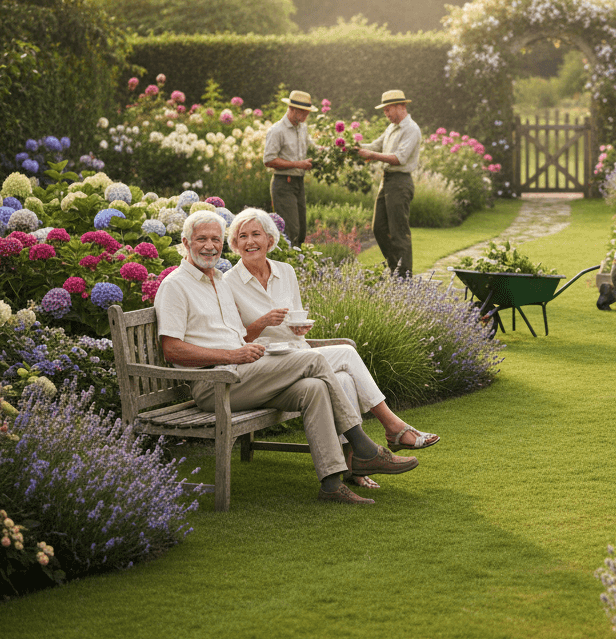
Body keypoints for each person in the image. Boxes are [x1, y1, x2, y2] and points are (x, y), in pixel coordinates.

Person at [154, 210, 419, 506]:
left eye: (215, 239)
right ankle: (365, 449)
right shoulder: (175, 286)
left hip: (245, 372)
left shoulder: (217, 280)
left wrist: (248, 345)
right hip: (214, 382)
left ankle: (331, 485)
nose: (210, 246)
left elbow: (234, 334)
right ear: (185, 242)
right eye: (201, 239)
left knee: (314, 389)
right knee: (314, 361)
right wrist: (234, 353)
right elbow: (172, 349)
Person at [221, 207, 440, 489]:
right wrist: (261, 323)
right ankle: (392, 428)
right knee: (347, 353)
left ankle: (353, 467)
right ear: (235, 244)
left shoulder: (286, 272)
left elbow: (294, 318)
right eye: (242, 236)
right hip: (264, 366)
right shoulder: (229, 283)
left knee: (344, 379)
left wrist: (298, 328)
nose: (249, 241)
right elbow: (236, 341)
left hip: (298, 353)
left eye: (256, 234)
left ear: (270, 240)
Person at [357, 89, 421, 278]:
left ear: (400, 106)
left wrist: (372, 156)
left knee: (399, 232)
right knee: (379, 228)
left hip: (400, 183)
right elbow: (376, 146)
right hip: (387, 182)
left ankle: (403, 278)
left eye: (388, 110)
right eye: (384, 110)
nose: (386, 114)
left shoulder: (411, 129)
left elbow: (399, 158)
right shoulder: (392, 127)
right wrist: (355, 147)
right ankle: (394, 268)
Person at [263, 89, 316, 247]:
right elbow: (269, 160)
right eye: (304, 112)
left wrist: (330, 151)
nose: (307, 116)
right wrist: (297, 164)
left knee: (301, 231)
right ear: (293, 110)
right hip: (283, 184)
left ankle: (298, 268)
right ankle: (287, 268)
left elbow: (312, 146)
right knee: (290, 230)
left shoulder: (302, 128)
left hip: (298, 183)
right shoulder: (277, 130)